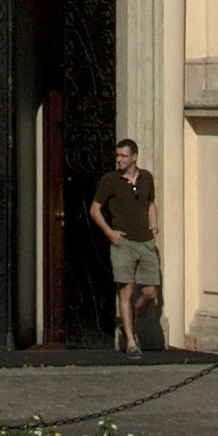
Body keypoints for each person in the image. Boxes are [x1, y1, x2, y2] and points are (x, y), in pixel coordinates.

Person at [91, 140, 164, 358]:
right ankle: (131, 342)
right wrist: (110, 233)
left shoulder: (146, 178)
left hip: (145, 242)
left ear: (134, 157)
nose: (119, 160)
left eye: (123, 156)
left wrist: (154, 227)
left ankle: (127, 322)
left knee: (150, 292)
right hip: (123, 242)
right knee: (126, 291)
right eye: (117, 156)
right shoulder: (110, 180)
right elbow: (95, 210)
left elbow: (151, 203)